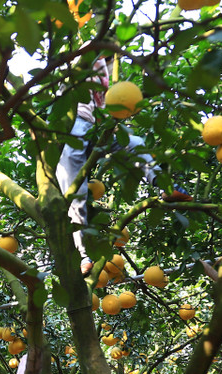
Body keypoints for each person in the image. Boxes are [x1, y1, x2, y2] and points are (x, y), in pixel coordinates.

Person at [55, 56, 187, 274]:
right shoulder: (83, 54)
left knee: (136, 143)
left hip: (99, 125)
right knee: (74, 189)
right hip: (76, 121)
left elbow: (108, 101)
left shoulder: (111, 65)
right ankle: (84, 255)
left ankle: (165, 185)